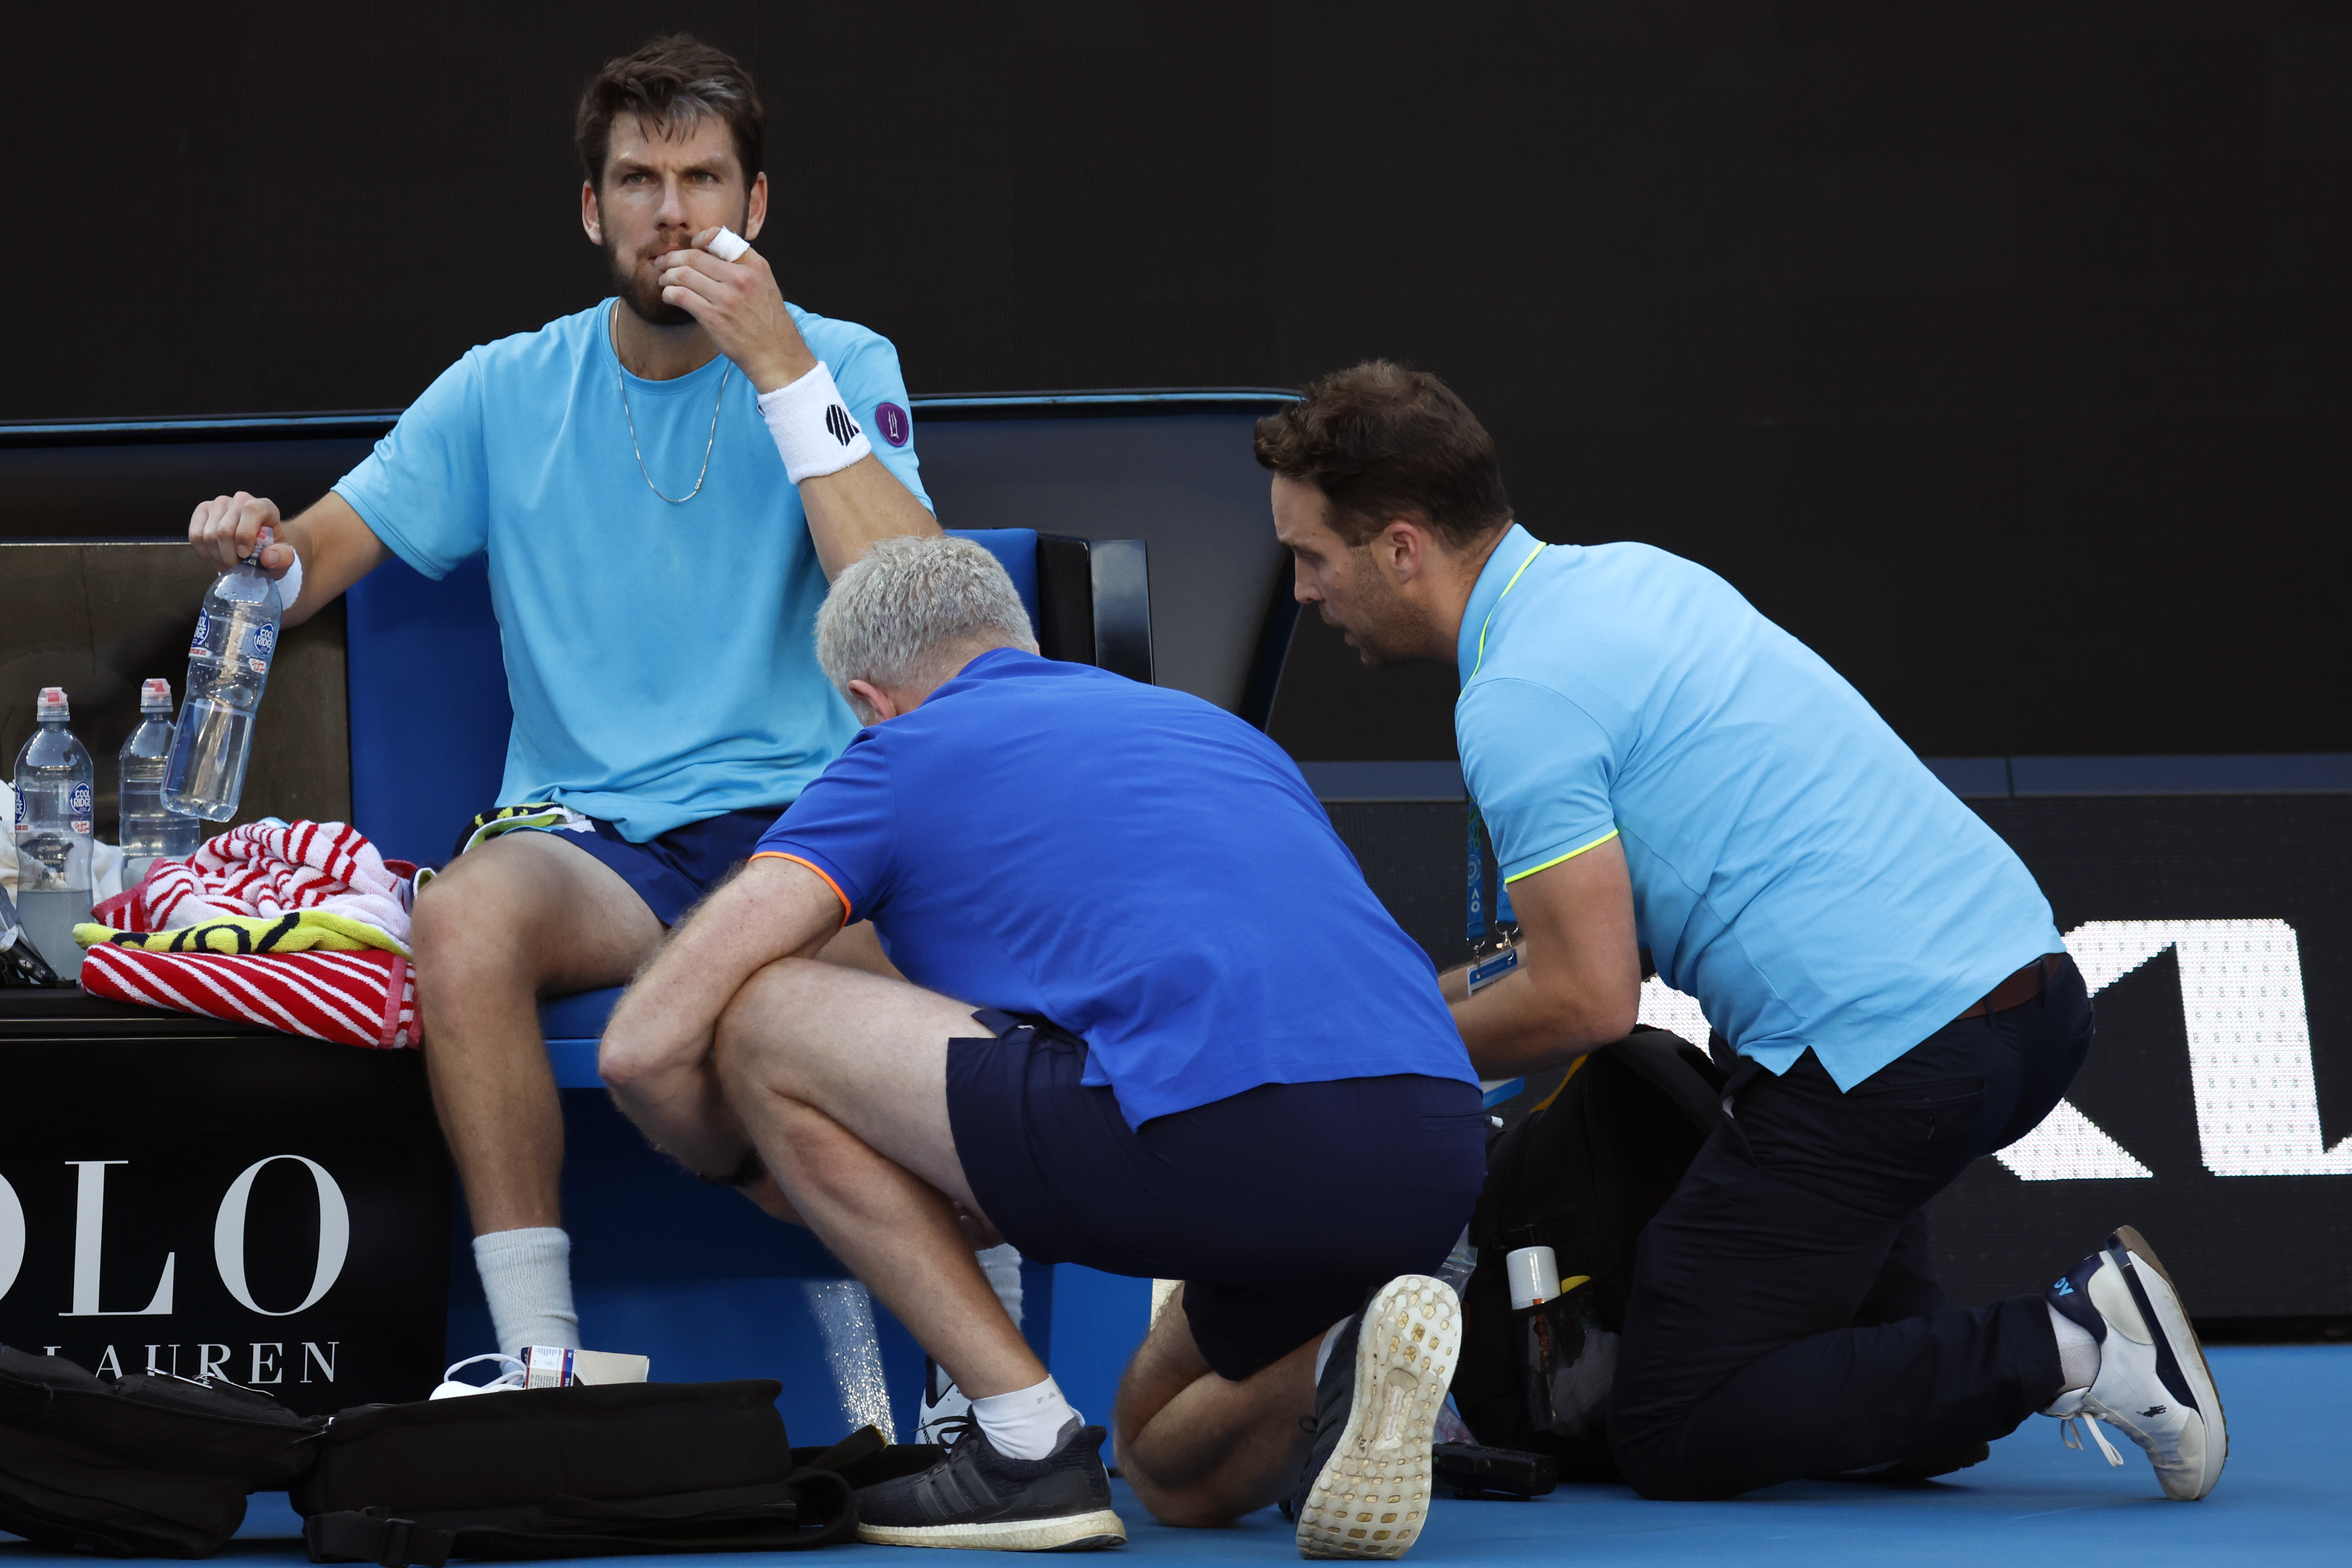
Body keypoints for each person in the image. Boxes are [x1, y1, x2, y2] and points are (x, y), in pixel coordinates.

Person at [1255, 361, 2226, 1504]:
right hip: (2025, 1002)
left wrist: (1368, 1053)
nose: (1305, 591)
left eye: (1312, 557)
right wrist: (1416, 1003)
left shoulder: (1517, 700)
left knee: (1674, 1421)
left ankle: (2077, 1342)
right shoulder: (1629, 579)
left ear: (1403, 548)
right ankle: (1967, 1386)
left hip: (1887, 1060)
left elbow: (1587, 1000)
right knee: (1885, 1422)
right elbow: (1564, 948)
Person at [181, 36, 942, 1362]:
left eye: (704, 179)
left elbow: (904, 604)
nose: (674, 212)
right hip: (588, 838)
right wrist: (257, 541)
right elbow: (309, 564)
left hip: (797, 834)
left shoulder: (841, 360)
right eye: (640, 180)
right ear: (593, 210)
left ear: (754, 209)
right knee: (462, 913)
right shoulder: (504, 387)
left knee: (918, 1007)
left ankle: (966, 1383)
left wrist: (781, 369)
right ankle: (542, 1358)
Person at [599, 536, 1487, 1555]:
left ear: (867, 699)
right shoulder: (1216, 732)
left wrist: (756, 1168)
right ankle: (1343, 1353)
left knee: (760, 1017)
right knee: (1162, 1462)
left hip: (1224, 1144)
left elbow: (645, 1043)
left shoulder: (895, 756)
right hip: (1435, 1158)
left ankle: (1026, 1447)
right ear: (1017, 645)